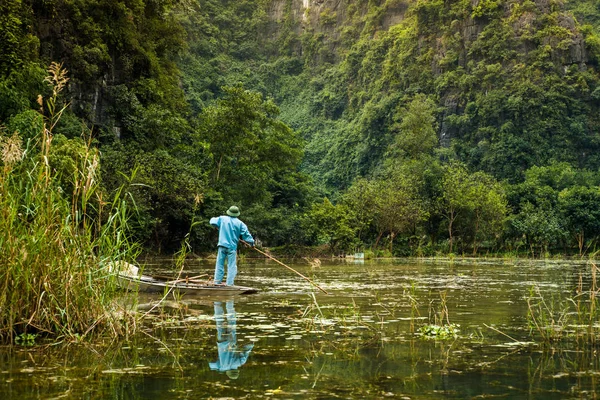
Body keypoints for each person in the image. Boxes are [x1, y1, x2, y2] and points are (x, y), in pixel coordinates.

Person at [210, 206, 255, 286]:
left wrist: (218, 226)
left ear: (229, 212)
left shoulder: (222, 219)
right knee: (231, 266)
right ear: (237, 214)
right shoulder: (240, 223)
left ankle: (217, 282)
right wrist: (252, 244)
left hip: (222, 245)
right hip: (232, 247)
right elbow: (247, 236)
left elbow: (212, 221)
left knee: (219, 264)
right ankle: (229, 284)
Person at [209, 300, 254, 379]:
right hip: (221, 342)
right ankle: (217, 302)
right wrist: (218, 369)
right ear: (228, 373)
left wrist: (252, 344)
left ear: (237, 371)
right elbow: (211, 364)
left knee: (231, 321)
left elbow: (246, 349)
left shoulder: (239, 363)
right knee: (219, 322)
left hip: (231, 341)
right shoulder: (222, 367)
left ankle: (229, 301)